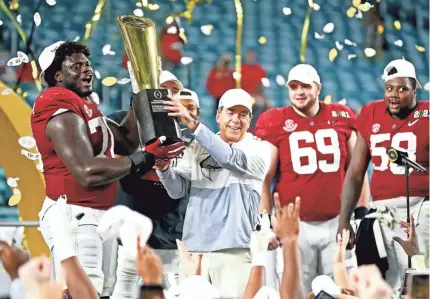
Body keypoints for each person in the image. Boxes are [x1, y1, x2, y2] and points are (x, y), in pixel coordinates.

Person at [31, 41, 185, 297]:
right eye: (76, 66)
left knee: (104, 290)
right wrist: (146, 158)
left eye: (87, 64)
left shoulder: (85, 104)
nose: (86, 70)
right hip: (74, 212)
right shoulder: (57, 106)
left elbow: (125, 140)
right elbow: (86, 171)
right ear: (57, 75)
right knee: (84, 289)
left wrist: (141, 93)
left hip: (99, 213)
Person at [255, 64, 370, 293]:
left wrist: (360, 214)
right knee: (297, 289)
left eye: (305, 86)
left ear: (318, 88)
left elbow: (356, 172)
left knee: (341, 290)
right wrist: (265, 221)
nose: (299, 92)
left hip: (338, 219)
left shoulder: (341, 115)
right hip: (295, 223)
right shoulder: (275, 120)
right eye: (294, 86)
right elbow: (264, 177)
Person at [155, 88, 273, 298]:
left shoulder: (258, 149)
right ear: (218, 115)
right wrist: (164, 169)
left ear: (250, 119)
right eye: (230, 112)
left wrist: (193, 124)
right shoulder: (196, 147)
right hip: (194, 250)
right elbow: (177, 191)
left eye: (243, 114)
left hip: (233, 251)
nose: (236, 120)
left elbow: (228, 158)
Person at [337, 59, 429, 290]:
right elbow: (355, 173)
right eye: (390, 88)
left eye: (402, 89)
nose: (395, 94)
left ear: (415, 90)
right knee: (386, 281)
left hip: (422, 207)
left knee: (420, 276)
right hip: (383, 213)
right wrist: (344, 219)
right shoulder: (371, 113)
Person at [109, 84, 200, 299]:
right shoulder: (125, 124)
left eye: (175, 92)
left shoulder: (195, 138)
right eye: (165, 91)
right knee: (124, 292)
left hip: (175, 237)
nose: (171, 97)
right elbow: (115, 159)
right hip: (135, 237)